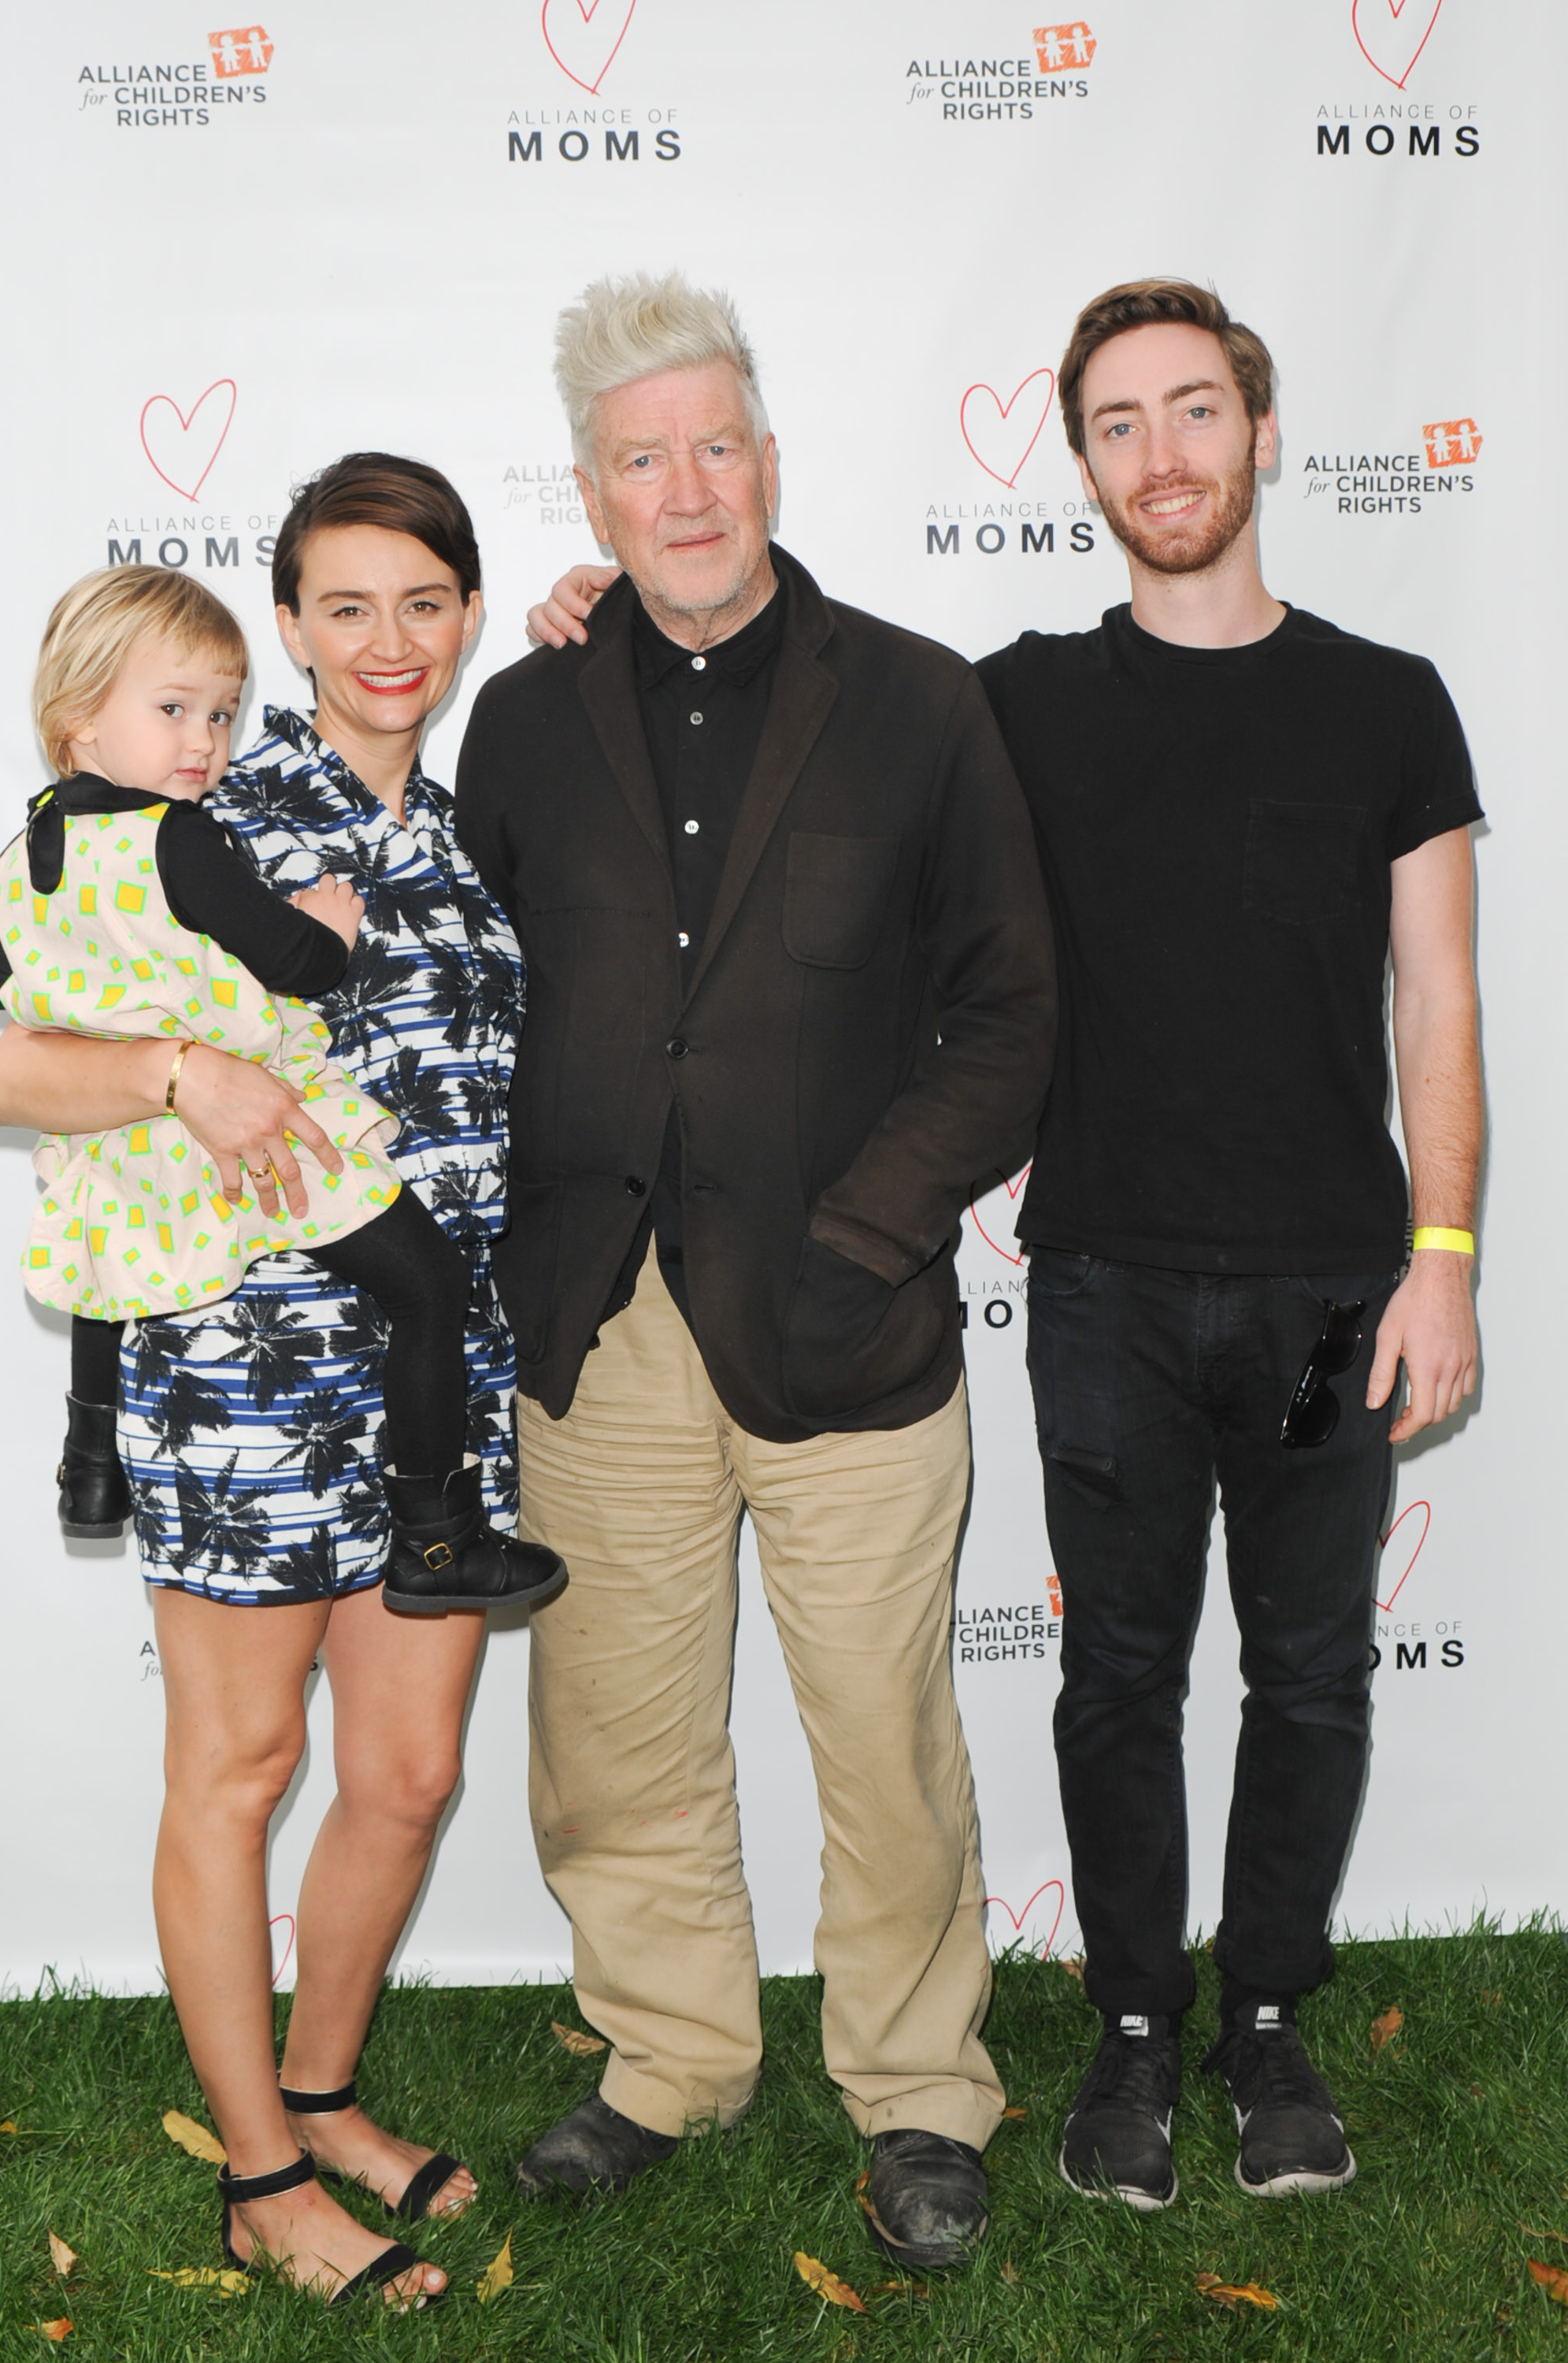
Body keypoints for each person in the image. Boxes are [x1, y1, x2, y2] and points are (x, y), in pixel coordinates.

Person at [527, 278, 1484, 2214]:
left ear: (1260, 433)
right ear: (1078, 463)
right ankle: (1063, 2041)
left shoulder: (1355, 700)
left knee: (1301, 1671)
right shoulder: (991, 697)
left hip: (1314, 1289)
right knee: (1096, 1674)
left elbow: (1423, 1004)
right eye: (1119, 423)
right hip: (1088, 1287)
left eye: (1194, 412)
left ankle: (1225, 2035)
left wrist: (1441, 1249)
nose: (1162, 454)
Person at [458, 272, 1057, 2274]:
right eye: (644, 458)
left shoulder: (917, 697)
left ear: (771, 459)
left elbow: (1007, 1011)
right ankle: (667, 2057)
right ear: (594, 495)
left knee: (883, 1731)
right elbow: (478, 1002)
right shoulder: (521, 716)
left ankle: (913, 2089)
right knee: (614, 1728)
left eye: (716, 443)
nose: (687, 485)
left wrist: (866, 1231)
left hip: (851, 1316)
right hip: (596, 1317)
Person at [0, 453, 546, 2306]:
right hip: (240, 1365)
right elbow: (4, 1072)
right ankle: (260, 2176)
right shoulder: (193, 787)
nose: (390, 639)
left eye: (427, 600)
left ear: (464, 616)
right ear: (288, 626)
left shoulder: (459, 824)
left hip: (437, 1364)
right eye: (347, 605)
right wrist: (170, 1077)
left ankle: (325, 2089)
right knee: (240, 1767)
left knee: (404, 1770)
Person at [0, 564, 564, 1615]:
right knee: (425, 1284)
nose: (203, 742)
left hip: (129, 1152)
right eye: (174, 711)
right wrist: (329, 929)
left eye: (220, 716)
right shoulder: (185, 834)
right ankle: (436, 1536)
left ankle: (92, 1465)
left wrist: (99, 992)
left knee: (113, 1264)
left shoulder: (28, 855)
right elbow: (293, 962)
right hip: (258, 1137)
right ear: (77, 723)